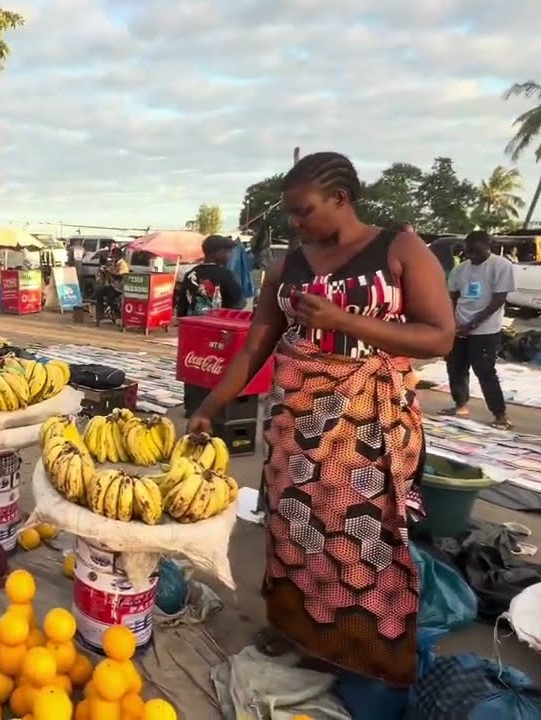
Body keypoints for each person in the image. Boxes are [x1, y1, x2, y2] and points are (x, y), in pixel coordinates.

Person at [188, 152, 453, 688]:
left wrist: (344, 320)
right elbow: (256, 344)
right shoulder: (290, 264)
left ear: (341, 198)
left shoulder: (399, 249)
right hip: (297, 422)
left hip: (367, 425)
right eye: (290, 214)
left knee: (361, 539)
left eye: (303, 211)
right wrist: (210, 406)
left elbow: (439, 336)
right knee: (294, 529)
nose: (295, 223)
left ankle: (361, 651)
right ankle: (297, 632)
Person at [443, 231, 514, 429]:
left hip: (485, 330)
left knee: (485, 371)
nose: (471, 255)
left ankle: (500, 414)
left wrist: (473, 323)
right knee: (455, 368)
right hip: (459, 327)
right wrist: (453, 323)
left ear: (488, 246)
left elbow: (499, 299)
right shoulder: (460, 269)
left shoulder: (501, 265)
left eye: (476, 251)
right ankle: (460, 405)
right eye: (468, 251)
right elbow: (453, 297)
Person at [177, 234, 245, 316]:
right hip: (217, 326)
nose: (229, 255)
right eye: (226, 251)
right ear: (214, 253)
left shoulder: (190, 274)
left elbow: (181, 307)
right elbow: (239, 303)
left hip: (193, 325)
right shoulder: (226, 275)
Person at [94, 245, 129, 325]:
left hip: (119, 288)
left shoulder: (123, 265)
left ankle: (117, 312)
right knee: (98, 292)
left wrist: (111, 273)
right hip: (112, 286)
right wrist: (105, 271)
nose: (113, 257)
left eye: (114, 255)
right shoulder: (114, 263)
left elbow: (120, 276)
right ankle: (100, 313)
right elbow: (110, 272)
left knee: (109, 299)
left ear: (118, 255)